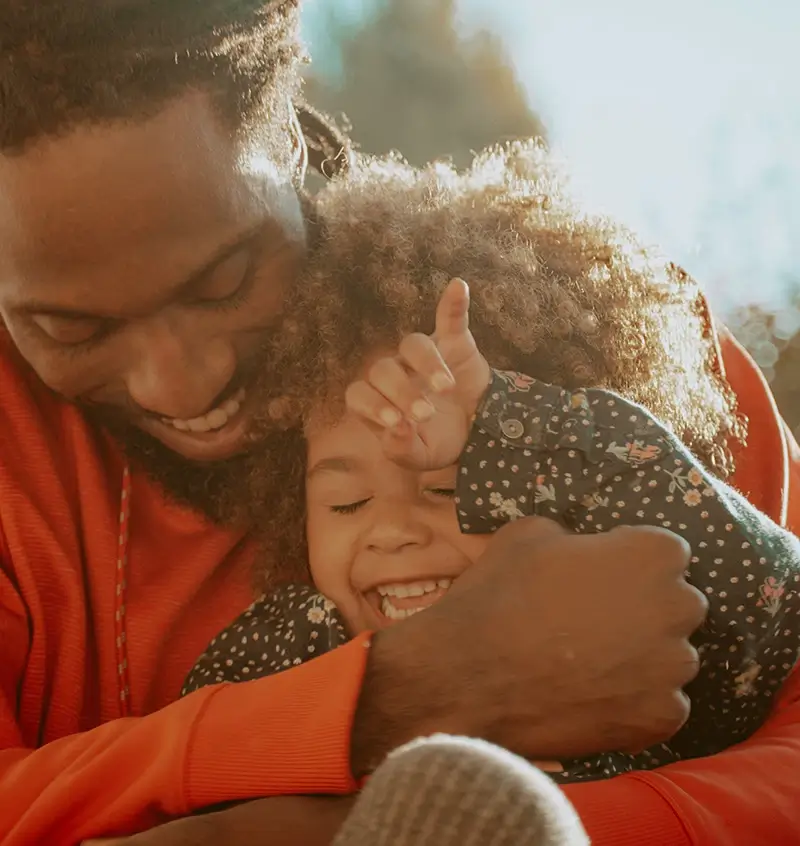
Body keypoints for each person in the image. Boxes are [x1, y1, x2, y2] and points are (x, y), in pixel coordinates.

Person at [0, 2, 796, 845]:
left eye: (223, 282)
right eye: (69, 329)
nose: (178, 383)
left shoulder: (586, 329)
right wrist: (392, 697)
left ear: (290, 141)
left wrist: (496, 825)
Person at [182, 149, 799, 786]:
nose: (392, 532)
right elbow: (205, 778)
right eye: (347, 503)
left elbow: (776, 606)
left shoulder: (640, 646)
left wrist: (509, 419)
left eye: (446, 488)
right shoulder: (291, 651)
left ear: (563, 484)